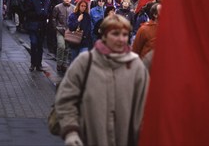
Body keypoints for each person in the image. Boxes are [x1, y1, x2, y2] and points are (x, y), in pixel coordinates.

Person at [55, 14, 149, 146]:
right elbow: (66, 101)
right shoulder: (85, 62)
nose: (121, 39)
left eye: (125, 34)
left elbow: (145, 108)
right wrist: (71, 132)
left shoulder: (136, 66)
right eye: (115, 34)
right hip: (89, 139)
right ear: (104, 35)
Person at [25, 0, 51, 72]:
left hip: (43, 26)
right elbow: (28, 13)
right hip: (33, 26)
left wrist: (46, 15)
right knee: (34, 44)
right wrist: (38, 14)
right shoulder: (32, 0)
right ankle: (33, 63)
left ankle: (39, 64)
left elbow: (49, 12)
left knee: (40, 46)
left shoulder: (47, 0)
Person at [52, 0, 75, 74]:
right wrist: (56, 28)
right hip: (60, 30)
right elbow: (54, 18)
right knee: (61, 46)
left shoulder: (74, 8)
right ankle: (59, 63)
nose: (67, 0)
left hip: (69, 31)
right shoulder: (57, 7)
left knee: (67, 48)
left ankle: (64, 64)